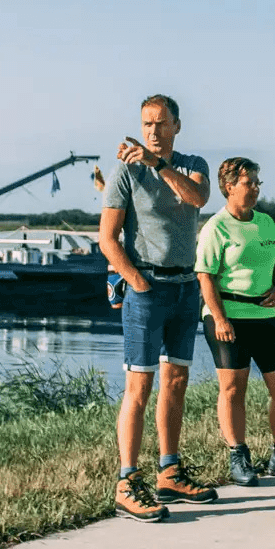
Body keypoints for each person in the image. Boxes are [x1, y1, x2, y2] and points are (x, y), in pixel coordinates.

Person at [98, 94, 215, 522]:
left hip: (186, 288)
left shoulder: (192, 164)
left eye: (162, 123)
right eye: (147, 124)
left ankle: (169, 471)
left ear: (177, 126)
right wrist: (136, 282)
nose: (153, 131)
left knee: (177, 381)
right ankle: (127, 482)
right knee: (139, 387)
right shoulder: (124, 172)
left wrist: (158, 164)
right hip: (147, 289)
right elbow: (108, 238)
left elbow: (198, 198)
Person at [195, 158, 275, 487]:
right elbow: (205, 278)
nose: (256, 188)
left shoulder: (267, 223)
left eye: (258, 182)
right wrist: (219, 318)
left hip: (266, 315)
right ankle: (238, 455)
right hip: (227, 316)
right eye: (249, 183)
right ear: (229, 187)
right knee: (234, 389)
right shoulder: (215, 227)